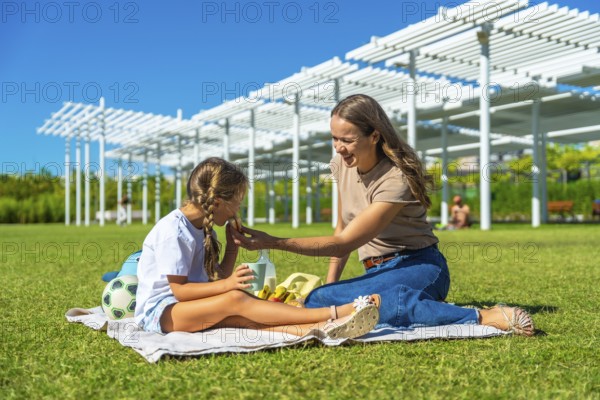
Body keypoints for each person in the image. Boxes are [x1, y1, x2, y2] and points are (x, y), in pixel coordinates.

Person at [233, 94, 534, 336]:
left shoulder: (396, 178)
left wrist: (271, 241)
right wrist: (328, 287)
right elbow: (342, 231)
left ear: (374, 136)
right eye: (334, 138)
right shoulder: (341, 164)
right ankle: (401, 305)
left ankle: (481, 316)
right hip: (376, 272)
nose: (339, 148)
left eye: (347, 140)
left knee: (382, 303)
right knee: (318, 299)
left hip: (421, 266)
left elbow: (344, 243)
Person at [134, 157, 380, 339]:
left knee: (241, 318)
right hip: (161, 312)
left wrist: (232, 248)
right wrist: (228, 285)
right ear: (218, 202)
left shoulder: (199, 227)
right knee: (236, 299)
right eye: (237, 204)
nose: (237, 212)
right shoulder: (174, 231)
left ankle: (321, 330)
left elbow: (213, 278)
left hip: (180, 309)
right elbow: (179, 291)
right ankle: (335, 313)